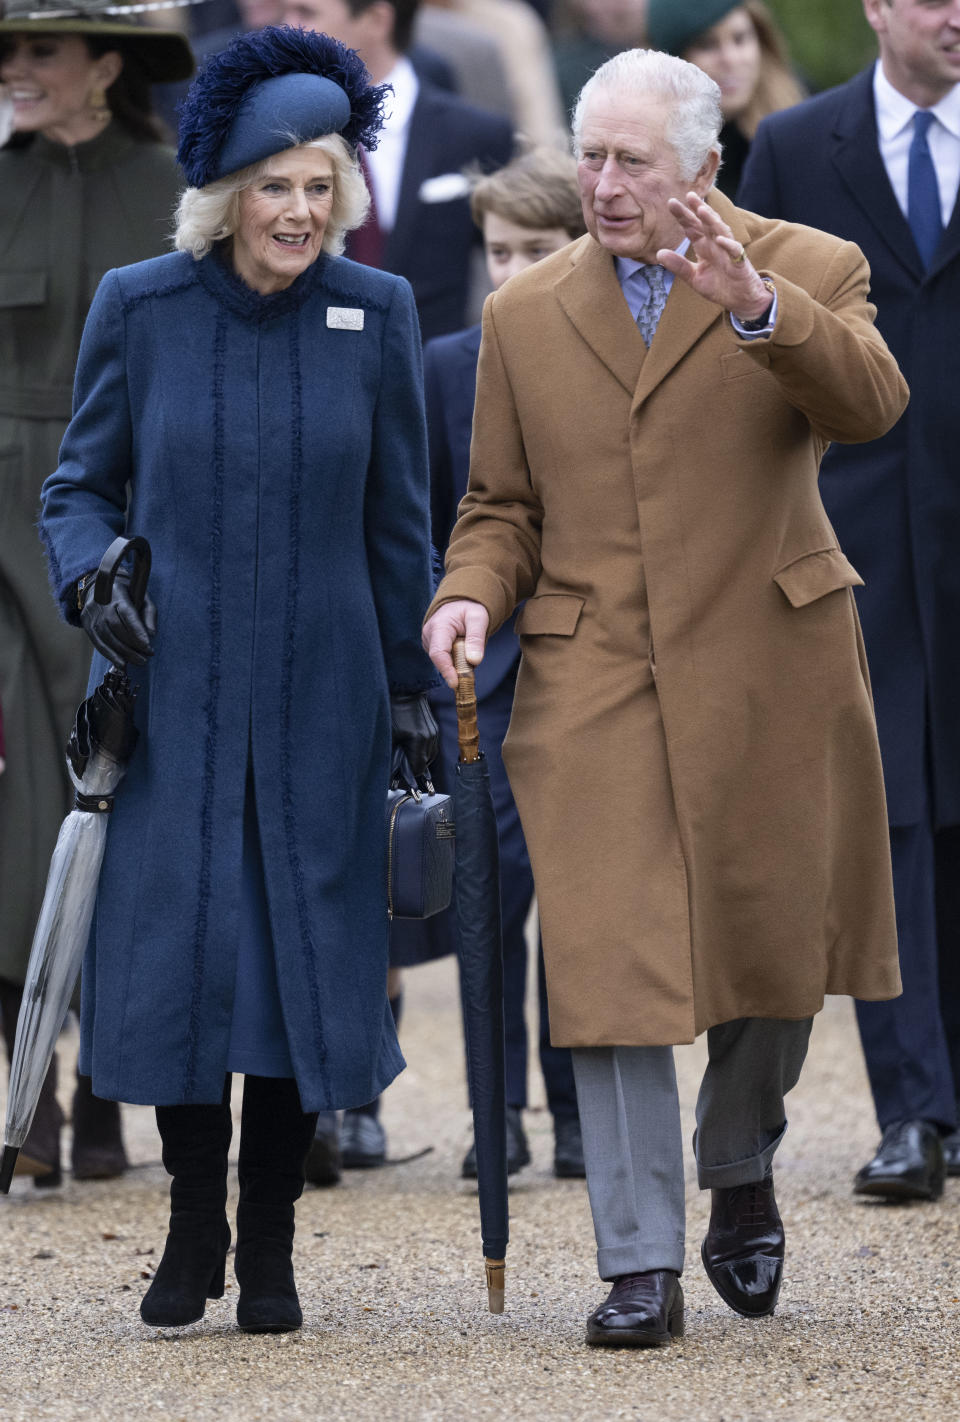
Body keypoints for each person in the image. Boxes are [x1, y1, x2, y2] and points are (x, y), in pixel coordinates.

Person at [422, 48, 907, 1348]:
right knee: (607, 961)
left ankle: (739, 1158)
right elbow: (498, 507)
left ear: (705, 165)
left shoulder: (806, 266)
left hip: (770, 664)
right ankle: (639, 1258)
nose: (604, 182)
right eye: (591, 155)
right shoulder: (528, 314)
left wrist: (758, 309)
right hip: (593, 679)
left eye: (634, 160)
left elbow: (872, 404)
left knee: (771, 953)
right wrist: (468, 591)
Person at [39, 26, 439, 1333]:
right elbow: (78, 485)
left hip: (320, 701)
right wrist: (94, 570)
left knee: (295, 972)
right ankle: (188, 1217)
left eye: (322, 186)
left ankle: (267, 1238)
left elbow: (399, 525)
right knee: (183, 964)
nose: (302, 211)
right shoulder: (140, 307)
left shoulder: (375, 316)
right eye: (279, 186)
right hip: (175, 699)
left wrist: (407, 694)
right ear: (227, 195)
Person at [739, 0, 960, 1200]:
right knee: (888, 822)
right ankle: (913, 1110)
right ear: (877, 6)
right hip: (855, 536)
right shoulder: (794, 147)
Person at [0, 0, 193, 1189]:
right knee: (17, 801)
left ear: (106, 65)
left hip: (127, 521)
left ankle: (112, 1076)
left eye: (41, 50)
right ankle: (26, 1081)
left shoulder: (176, 191)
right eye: (8, 52)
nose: (18, 69)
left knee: (125, 787)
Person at [418, 148, 588, 1182]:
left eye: (538, 248)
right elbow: (430, 519)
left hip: (577, 668)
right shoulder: (447, 365)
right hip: (474, 680)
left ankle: (577, 1116)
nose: (514, 270)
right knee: (484, 905)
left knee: (577, 902)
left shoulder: (606, 358)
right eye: (499, 251)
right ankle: (499, 1115)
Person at [280, 0, 515, 344]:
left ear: (377, 19)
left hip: (429, 375)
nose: (287, 27)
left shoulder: (476, 135)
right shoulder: (280, 133)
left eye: (306, 13)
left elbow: (517, 260)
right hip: (313, 363)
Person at [646, 0, 803, 197]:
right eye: (707, 45)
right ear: (672, 62)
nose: (730, 59)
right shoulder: (649, 151)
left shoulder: (806, 118)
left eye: (740, 39)